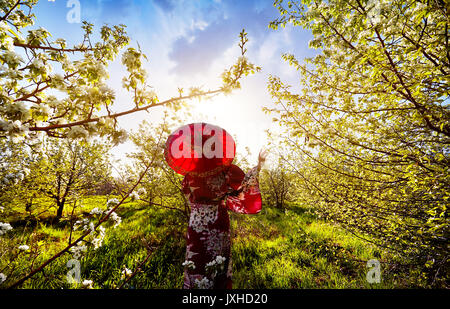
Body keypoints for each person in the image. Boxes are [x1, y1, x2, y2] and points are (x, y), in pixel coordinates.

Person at [181, 149, 267, 289]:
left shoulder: (190, 173)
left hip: (196, 222)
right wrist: (258, 166)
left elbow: (186, 192)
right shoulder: (225, 170)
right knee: (218, 259)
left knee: (196, 259)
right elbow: (244, 186)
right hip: (217, 219)